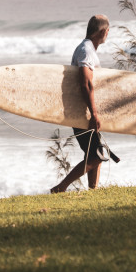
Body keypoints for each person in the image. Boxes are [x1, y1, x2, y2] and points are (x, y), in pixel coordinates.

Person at [51, 14, 114, 193]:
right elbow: (85, 84)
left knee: (95, 153)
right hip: (82, 112)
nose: (108, 34)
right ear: (102, 31)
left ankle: (93, 190)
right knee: (96, 155)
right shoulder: (86, 50)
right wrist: (94, 114)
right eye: (107, 31)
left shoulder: (87, 49)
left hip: (85, 111)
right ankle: (60, 187)